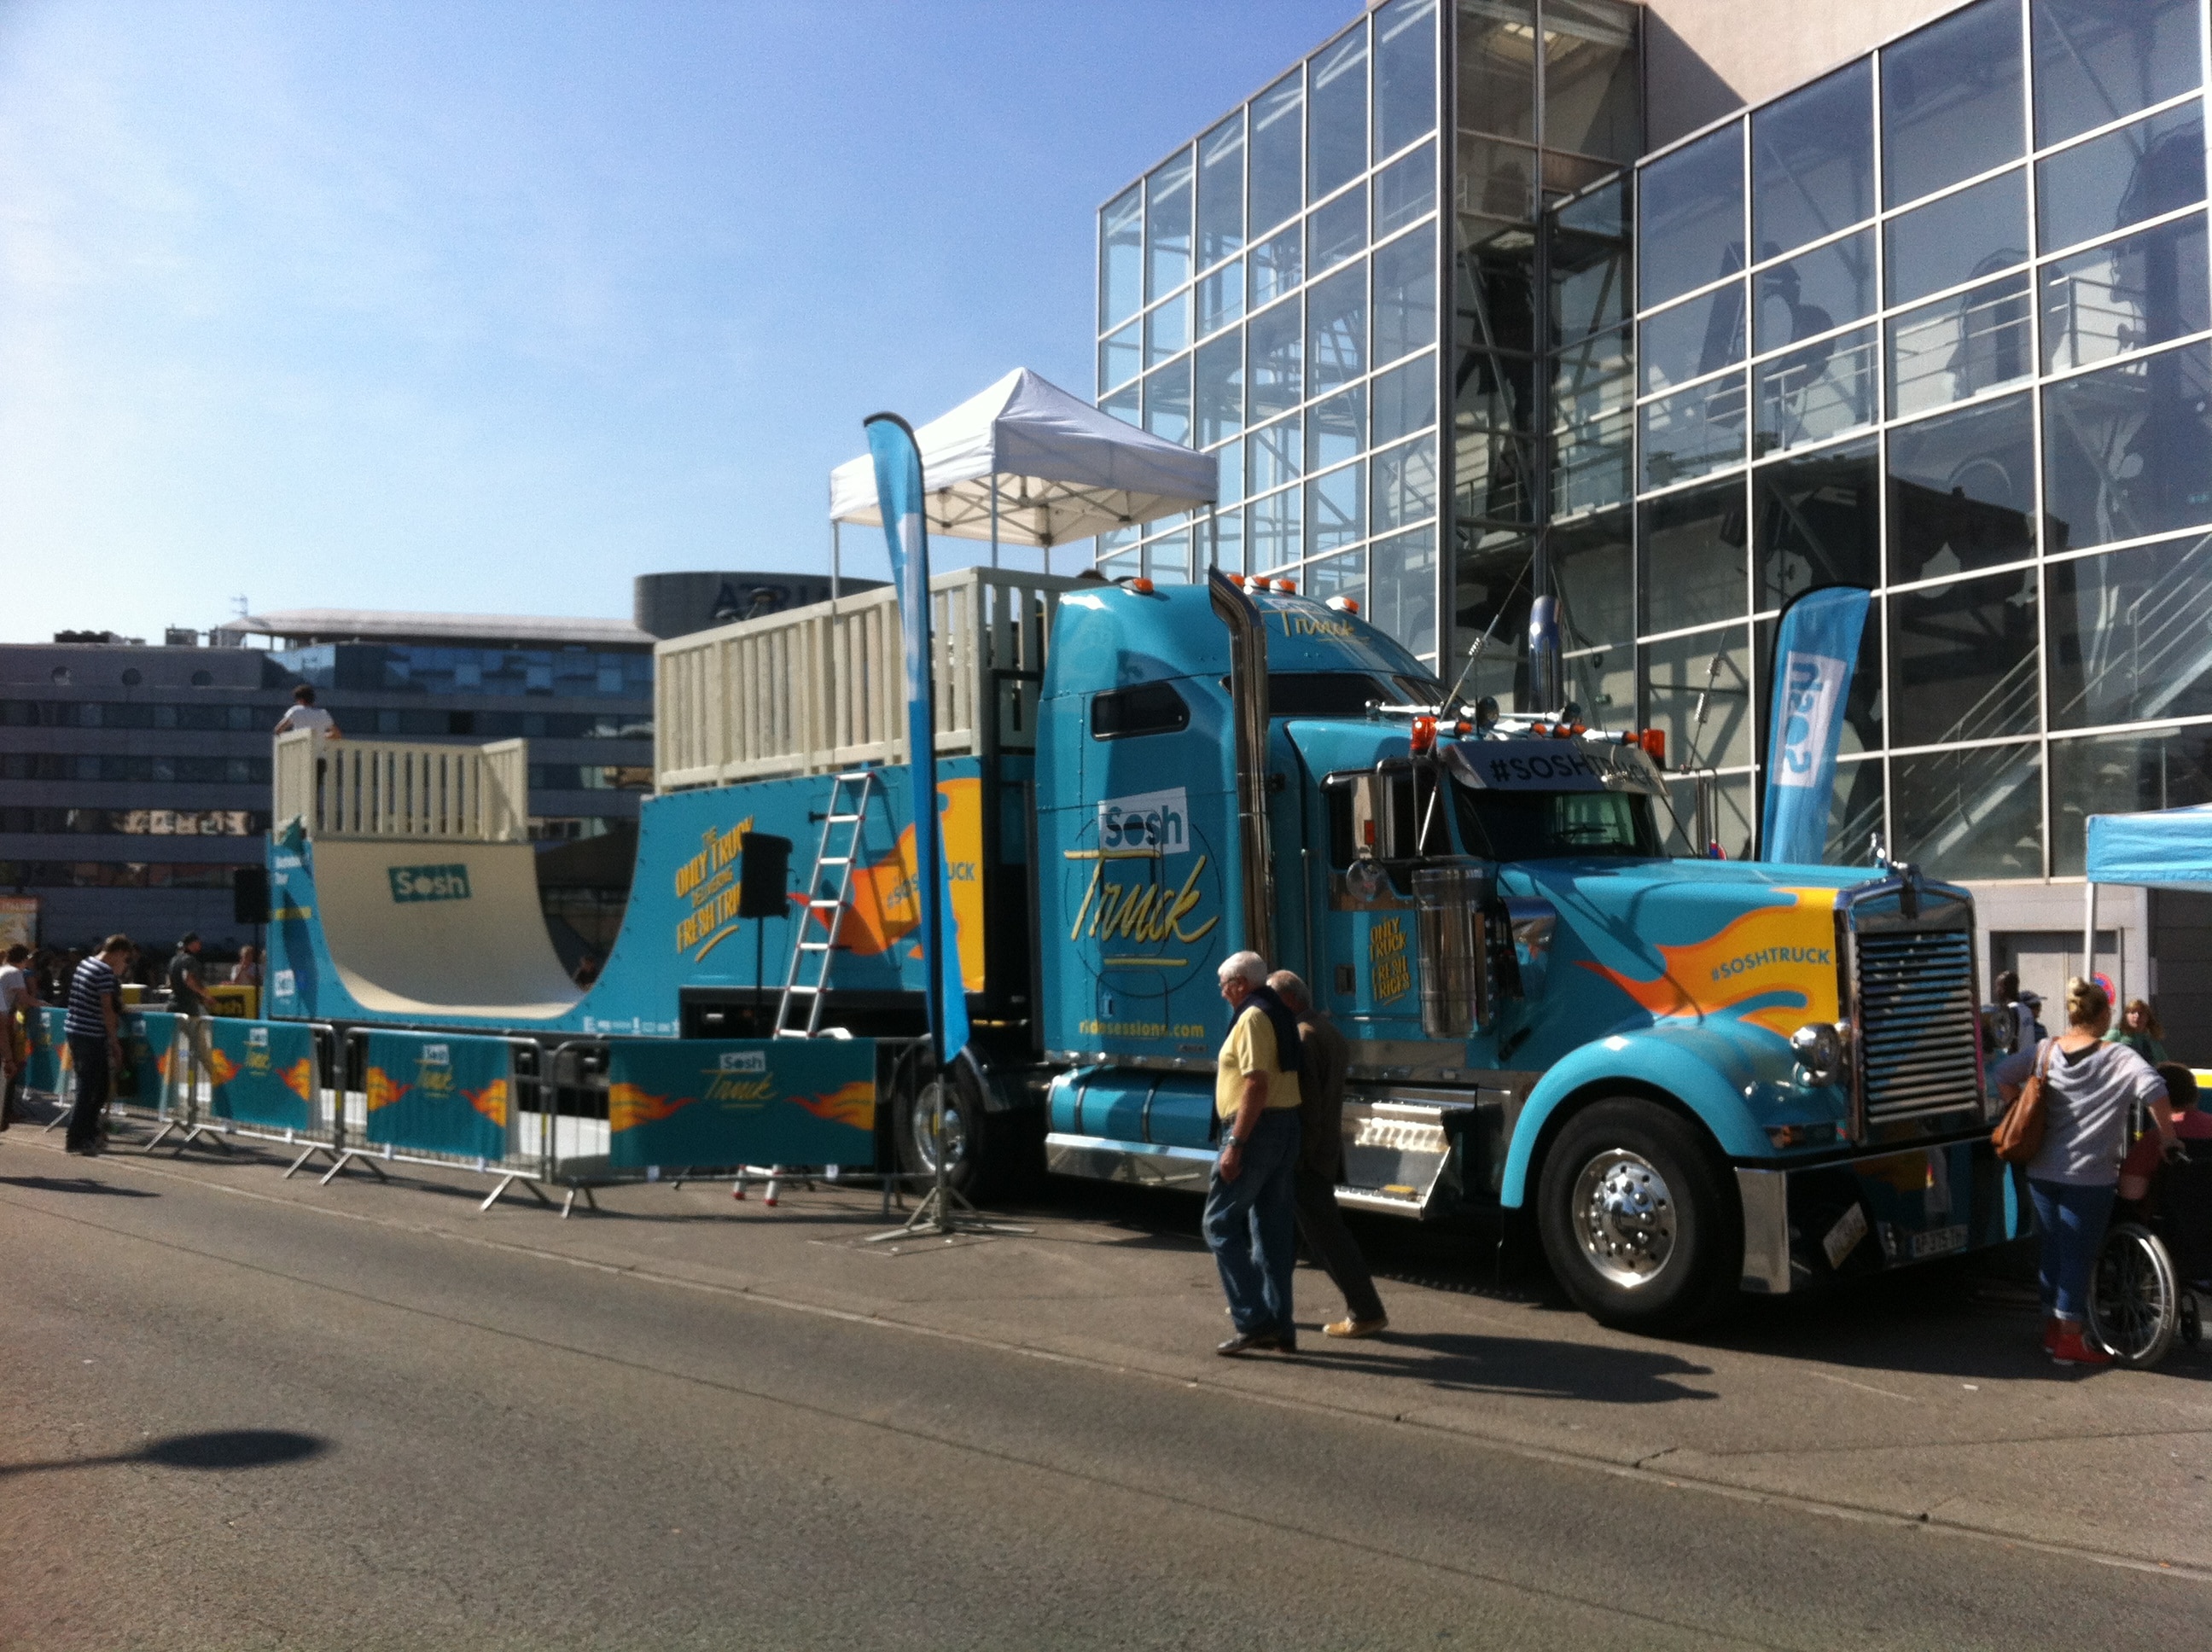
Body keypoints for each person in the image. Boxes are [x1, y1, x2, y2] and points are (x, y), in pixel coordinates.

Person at [1994, 977, 2180, 1367]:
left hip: (2042, 1169)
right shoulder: (2119, 1058)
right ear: (2103, 1015)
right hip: (2090, 1175)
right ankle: (2069, 1341)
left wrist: (2017, 1108)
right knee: (2079, 1255)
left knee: (2053, 1249)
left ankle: (2051, 1331)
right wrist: (2166, 1137)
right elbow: (2156, 1089)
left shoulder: (2045, 1050)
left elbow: (2003, 1074)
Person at [1269, 969, 1388, 1339]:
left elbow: (1309, 1107)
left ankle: (1366, 1310)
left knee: (1327, 1237)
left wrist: (1299, 1156)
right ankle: (1265, 1303)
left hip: (1308, 1156)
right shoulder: (1328, 1031)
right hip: (1324, 1149)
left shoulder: (1302, 1037)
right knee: (1286, 1233)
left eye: (1273, 999)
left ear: (1289, 999)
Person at [1202, 951, 1307, 1356]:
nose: (1223, 992)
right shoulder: (1278, 1012)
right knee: (1272, 1232)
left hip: (1257, 1131)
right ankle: (1281, 1326)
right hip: (1284, 1128)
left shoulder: (1251, 1017)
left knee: (1219, 1224)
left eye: (1224, 985)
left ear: (1241, 984)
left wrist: (1235, 1144)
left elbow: (1255, 1085)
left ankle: (1254, 1319)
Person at [64, 934, 133, 1156]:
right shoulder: (103, 972)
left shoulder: (85, 964)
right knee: (90, 1088)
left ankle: (88, 1131)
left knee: (97, 1085)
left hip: (76, 1030)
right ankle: (77, 1136)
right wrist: (114, 1042)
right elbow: (107, 1009)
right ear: (120, 953)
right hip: (90, 1034)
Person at [165, 932, 217, 1101]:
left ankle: (167, 1085)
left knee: (171, 1048)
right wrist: (205, 995)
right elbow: (189, 980)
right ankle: (218, 1081)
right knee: (201, 1048)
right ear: (191, 944)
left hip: (172, 1006)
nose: (200, 946)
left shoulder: (174, 960)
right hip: (187, 1008)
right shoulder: (189, 960)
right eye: (197, 943)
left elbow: (170, 982)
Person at [0, 942, 36, 1128]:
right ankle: (6, 1111)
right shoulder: (14, 973)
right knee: (9, 1070)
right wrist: (44, 1005)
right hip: (5, 1024)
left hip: (6, 1020)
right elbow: (24, 998)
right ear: (24, 959)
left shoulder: (3, 970)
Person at [2106, 998, 2169, 1066]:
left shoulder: (2152, 1039)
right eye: (2133, 1012)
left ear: (2148, 1017)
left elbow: (2165, 1064)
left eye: (2141, 1013)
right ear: (2125, 1016)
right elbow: (2098, 1053)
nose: (2137, 1016)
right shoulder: (2117, 1034)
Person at [274, 683, 341, 740]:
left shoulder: (295, 711)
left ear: (301, 700)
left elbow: (278, 730)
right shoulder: (323, 713)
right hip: (319, 753)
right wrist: (321, 736)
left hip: (299, 750)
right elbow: (337, 734)